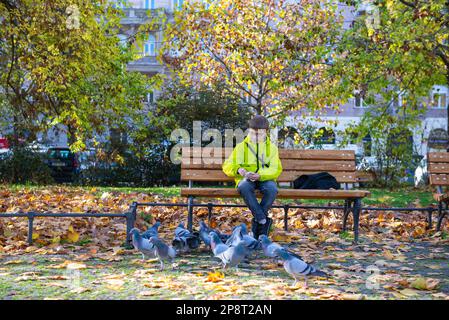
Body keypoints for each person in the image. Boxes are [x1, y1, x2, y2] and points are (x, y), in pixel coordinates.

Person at [222, 115, 283, 239]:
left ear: (265, 133)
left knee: (272, 189)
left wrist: (260, 175)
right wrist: (239, 170)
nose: (255, 137)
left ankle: (258, 222)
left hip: (264, 178)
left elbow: (276, 169)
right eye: (252, 133)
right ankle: (262, 220)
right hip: (246, 178)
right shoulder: (241, 147)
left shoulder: (272, 148)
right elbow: (227, 165)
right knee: (244, 186)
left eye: (259, 134)